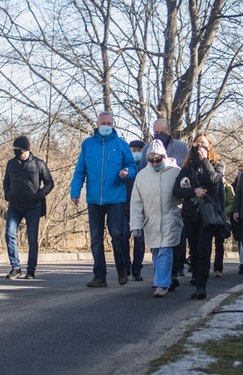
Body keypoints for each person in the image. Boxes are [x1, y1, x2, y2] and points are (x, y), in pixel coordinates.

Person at [70, 111, 137, 287]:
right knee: (96, 238)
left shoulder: (121, 145)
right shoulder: (88, 145)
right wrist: (75, 191)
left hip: (116, 198)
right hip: (94, 198)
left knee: (117, 234)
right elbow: (80, 170)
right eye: (103, 123)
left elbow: (132, 167)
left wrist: (127, 173)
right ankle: (99, 276)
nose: (106, 126)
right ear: (97, 124)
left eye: (109, 123)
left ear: (113, 125)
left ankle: (122, 270)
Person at [173, 134, 224, 300]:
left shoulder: (217, 165)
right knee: (193, 249)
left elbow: (213, 179)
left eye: (203, 144)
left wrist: (204, 161)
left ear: (209, 146)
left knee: (204, 249)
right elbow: (177, 190)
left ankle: (202, 285)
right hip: (190, 213)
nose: (199, 147)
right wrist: (192, 191)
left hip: (207, 214)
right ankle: (196, 279)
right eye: (197, 144)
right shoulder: (187, 167)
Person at [129, 140, 183, 297]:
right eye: (150, 159)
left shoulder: (176, 172)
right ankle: (161, 278)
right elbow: (136, 203)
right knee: (156, 252)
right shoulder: (141, 176)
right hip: (151, 220)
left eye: (157, 159)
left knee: (166, 250)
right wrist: (135, 225)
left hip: (170, 218)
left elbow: (184, 194)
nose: (154, 162)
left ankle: (161, 284)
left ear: (164, 157)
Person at [3, 136, 55, 279]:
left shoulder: (39, 164)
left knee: (32, 239)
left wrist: (39, 196)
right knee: (9, 234)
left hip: (33, 207)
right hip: (14, 206)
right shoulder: (11, 164)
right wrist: (7, 195)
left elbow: (50, 183)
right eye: (13, 149)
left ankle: (31, 270)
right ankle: (16, 267)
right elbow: (5, 182)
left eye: (17, 149)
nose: (15, 151)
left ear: (25, 149)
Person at [124, 139, 147, 281]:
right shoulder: (124, 167)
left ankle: (137, 269)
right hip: (125, 206)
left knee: (140, 240)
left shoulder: (147, 168)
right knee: (123, 237)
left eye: (139, 150)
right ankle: (126, 266)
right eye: (134, 150)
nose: (136, 153)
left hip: (142, 208)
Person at [231, 162, 243, 274]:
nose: (239, 173)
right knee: (240, 239)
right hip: (237, 215)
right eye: (239, 170)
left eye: (242, 171)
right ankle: (242, 262)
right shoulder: (234, 185)